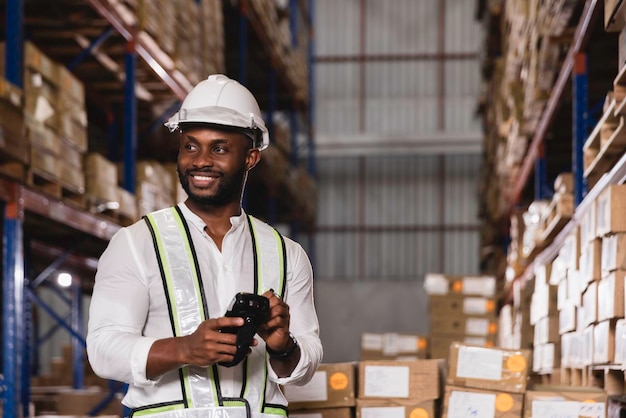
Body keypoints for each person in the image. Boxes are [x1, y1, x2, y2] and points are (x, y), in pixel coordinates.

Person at [87, 74, 323, 418]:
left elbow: (306, 364)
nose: (200, 160)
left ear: (251, 158)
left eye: (220, 148)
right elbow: (104, 350)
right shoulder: (137, 243)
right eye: (190, 146)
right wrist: (184, 349)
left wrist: (283, 346)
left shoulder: (287, 254)